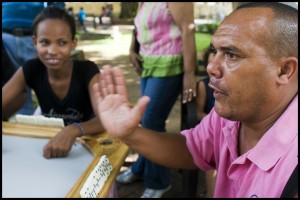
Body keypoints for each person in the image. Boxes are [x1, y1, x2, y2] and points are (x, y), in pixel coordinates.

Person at [92, 2, 298, 198]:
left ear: (284, 70)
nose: (211, 68)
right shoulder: (230, 115)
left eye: (232, 55)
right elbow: (192, 150)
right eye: (214, 51)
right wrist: (129, 133)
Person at [116, 2, 197, 198]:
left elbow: (187, 29)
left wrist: (189, 72)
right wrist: (131, 49)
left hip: (170, 64)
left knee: (152, 120)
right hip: (148, 63)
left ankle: (160, 181)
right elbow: (138, 27)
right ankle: (141, 168)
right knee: (145, 119)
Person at [2, 6, 105, 159]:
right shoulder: (31, 68)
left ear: (73, 43)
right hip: (49, 140)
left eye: (62, 43)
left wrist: (73, 129)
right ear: (35, 42)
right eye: (45, 42)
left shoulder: (87, 71)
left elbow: (104, 119)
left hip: (87, 143)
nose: (52, 50)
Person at [2, 2, 45, 116]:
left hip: (35, 38)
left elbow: (56, 7)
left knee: (45, 82)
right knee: (17, 88)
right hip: (6, 37)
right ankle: (24, 124)